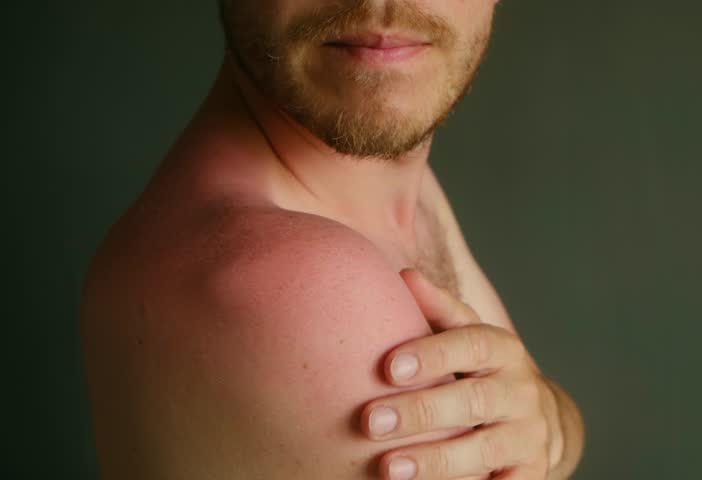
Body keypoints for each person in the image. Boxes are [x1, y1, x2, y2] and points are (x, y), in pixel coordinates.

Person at [80, 1, 585, 478]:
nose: (382, 4)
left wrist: (552, 422)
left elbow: (530, 424)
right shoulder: (304, 283)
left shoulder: (382, 186)